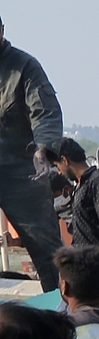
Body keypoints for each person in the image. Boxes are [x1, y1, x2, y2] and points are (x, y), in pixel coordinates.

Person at [0, 19, 65, 289]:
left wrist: (43, 150)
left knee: (47, 249)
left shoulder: (24, 67)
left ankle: (64, 312)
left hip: (20, 170)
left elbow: (45, 112)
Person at [51, 140, 99, 283]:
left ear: (65, 160)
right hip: (86, 266)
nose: (60, 172)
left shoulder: (97, 183)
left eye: (58, 166)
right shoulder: (81, 185)